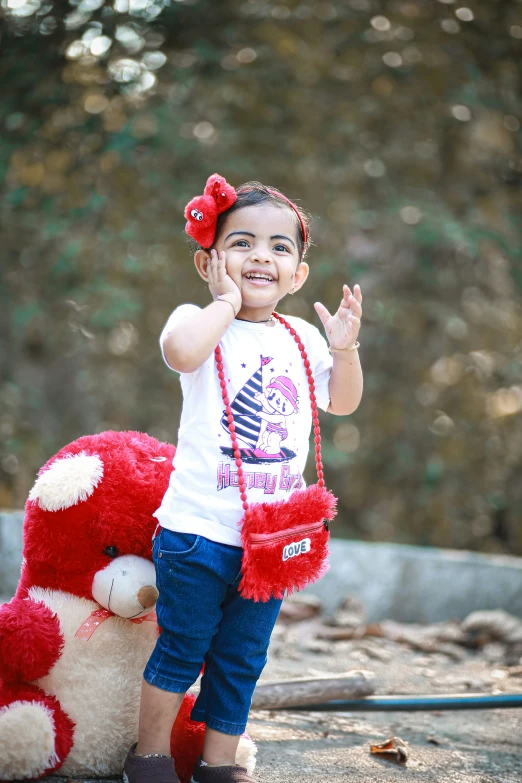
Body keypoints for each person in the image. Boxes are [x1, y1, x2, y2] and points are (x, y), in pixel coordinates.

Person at [123, 177, 363, 783]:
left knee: (241, 659)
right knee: (182, 649)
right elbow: (182, 353)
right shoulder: (198, 320)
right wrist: (224, 304)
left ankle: (219, 766)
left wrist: (347, 350)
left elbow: (342, 403)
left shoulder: (302, 338)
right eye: (242, 243)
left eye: (280, 248)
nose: (261, 256)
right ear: (209, 260)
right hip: (198, 533)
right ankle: (148, 758)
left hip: (271, 543)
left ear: (299, 274)